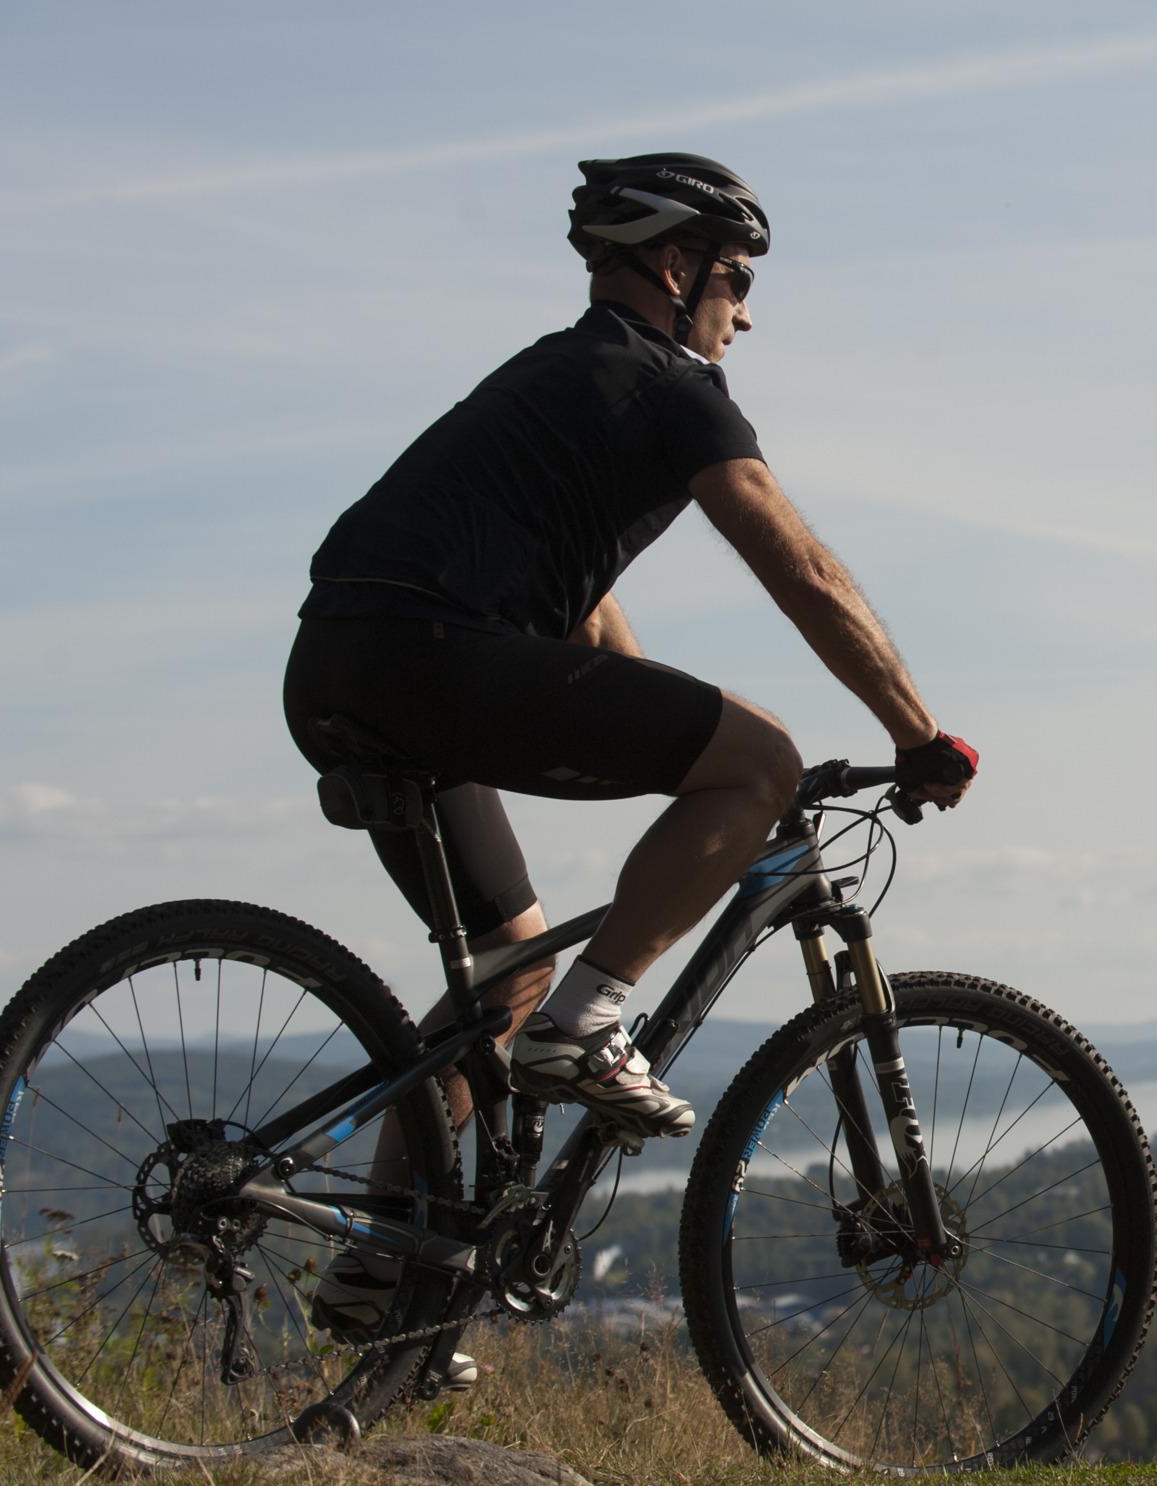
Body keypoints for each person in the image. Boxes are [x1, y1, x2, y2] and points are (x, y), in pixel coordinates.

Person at [280, 153, 976, 1360]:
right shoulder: (669, 384)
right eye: (738, 280)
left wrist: (681, 736)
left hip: (341, 664)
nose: (744, 313)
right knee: (761, 757)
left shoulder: (561, 382)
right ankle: (593, 1023)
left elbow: (589, 620)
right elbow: (803, 569)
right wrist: (915, 734)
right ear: (674, 266)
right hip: (431, 658)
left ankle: (389, 1256)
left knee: (506, 970)